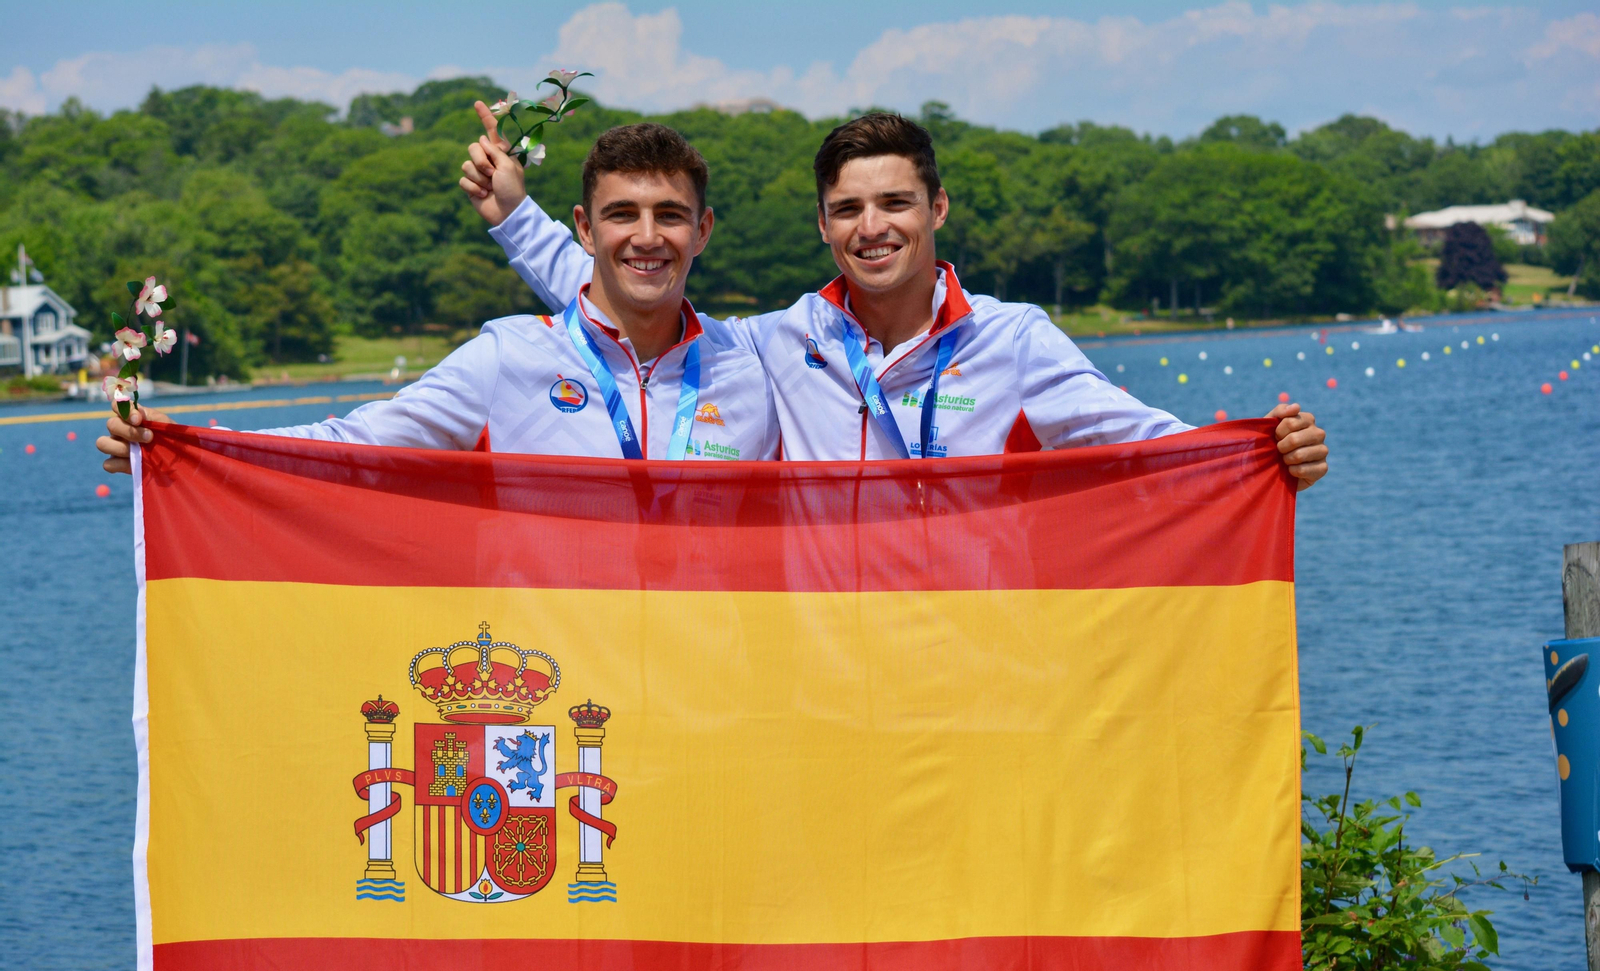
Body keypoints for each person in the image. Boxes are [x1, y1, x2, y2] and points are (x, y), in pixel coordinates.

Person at [462, 109, 1328, 483]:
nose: (872, 227)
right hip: (815, 668)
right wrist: (515, 217)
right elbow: (635, 283)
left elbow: (1134, 440)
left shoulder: (1016, 341)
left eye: (895, 203)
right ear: (824, 226)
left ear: (937, 208)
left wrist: (1251, 452)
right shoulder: (771, 344)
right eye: (848, 210)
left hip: (973, 653)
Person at [97, 124, 779, 473]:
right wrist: (186, 449)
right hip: (560, 691)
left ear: (703, 230)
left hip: (703, 686)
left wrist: (514, 218)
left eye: (670, 215)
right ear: (584, 227)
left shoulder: (751, 369)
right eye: (623, 214)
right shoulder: (507, 359)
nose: (647, 236)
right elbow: (351, 445)